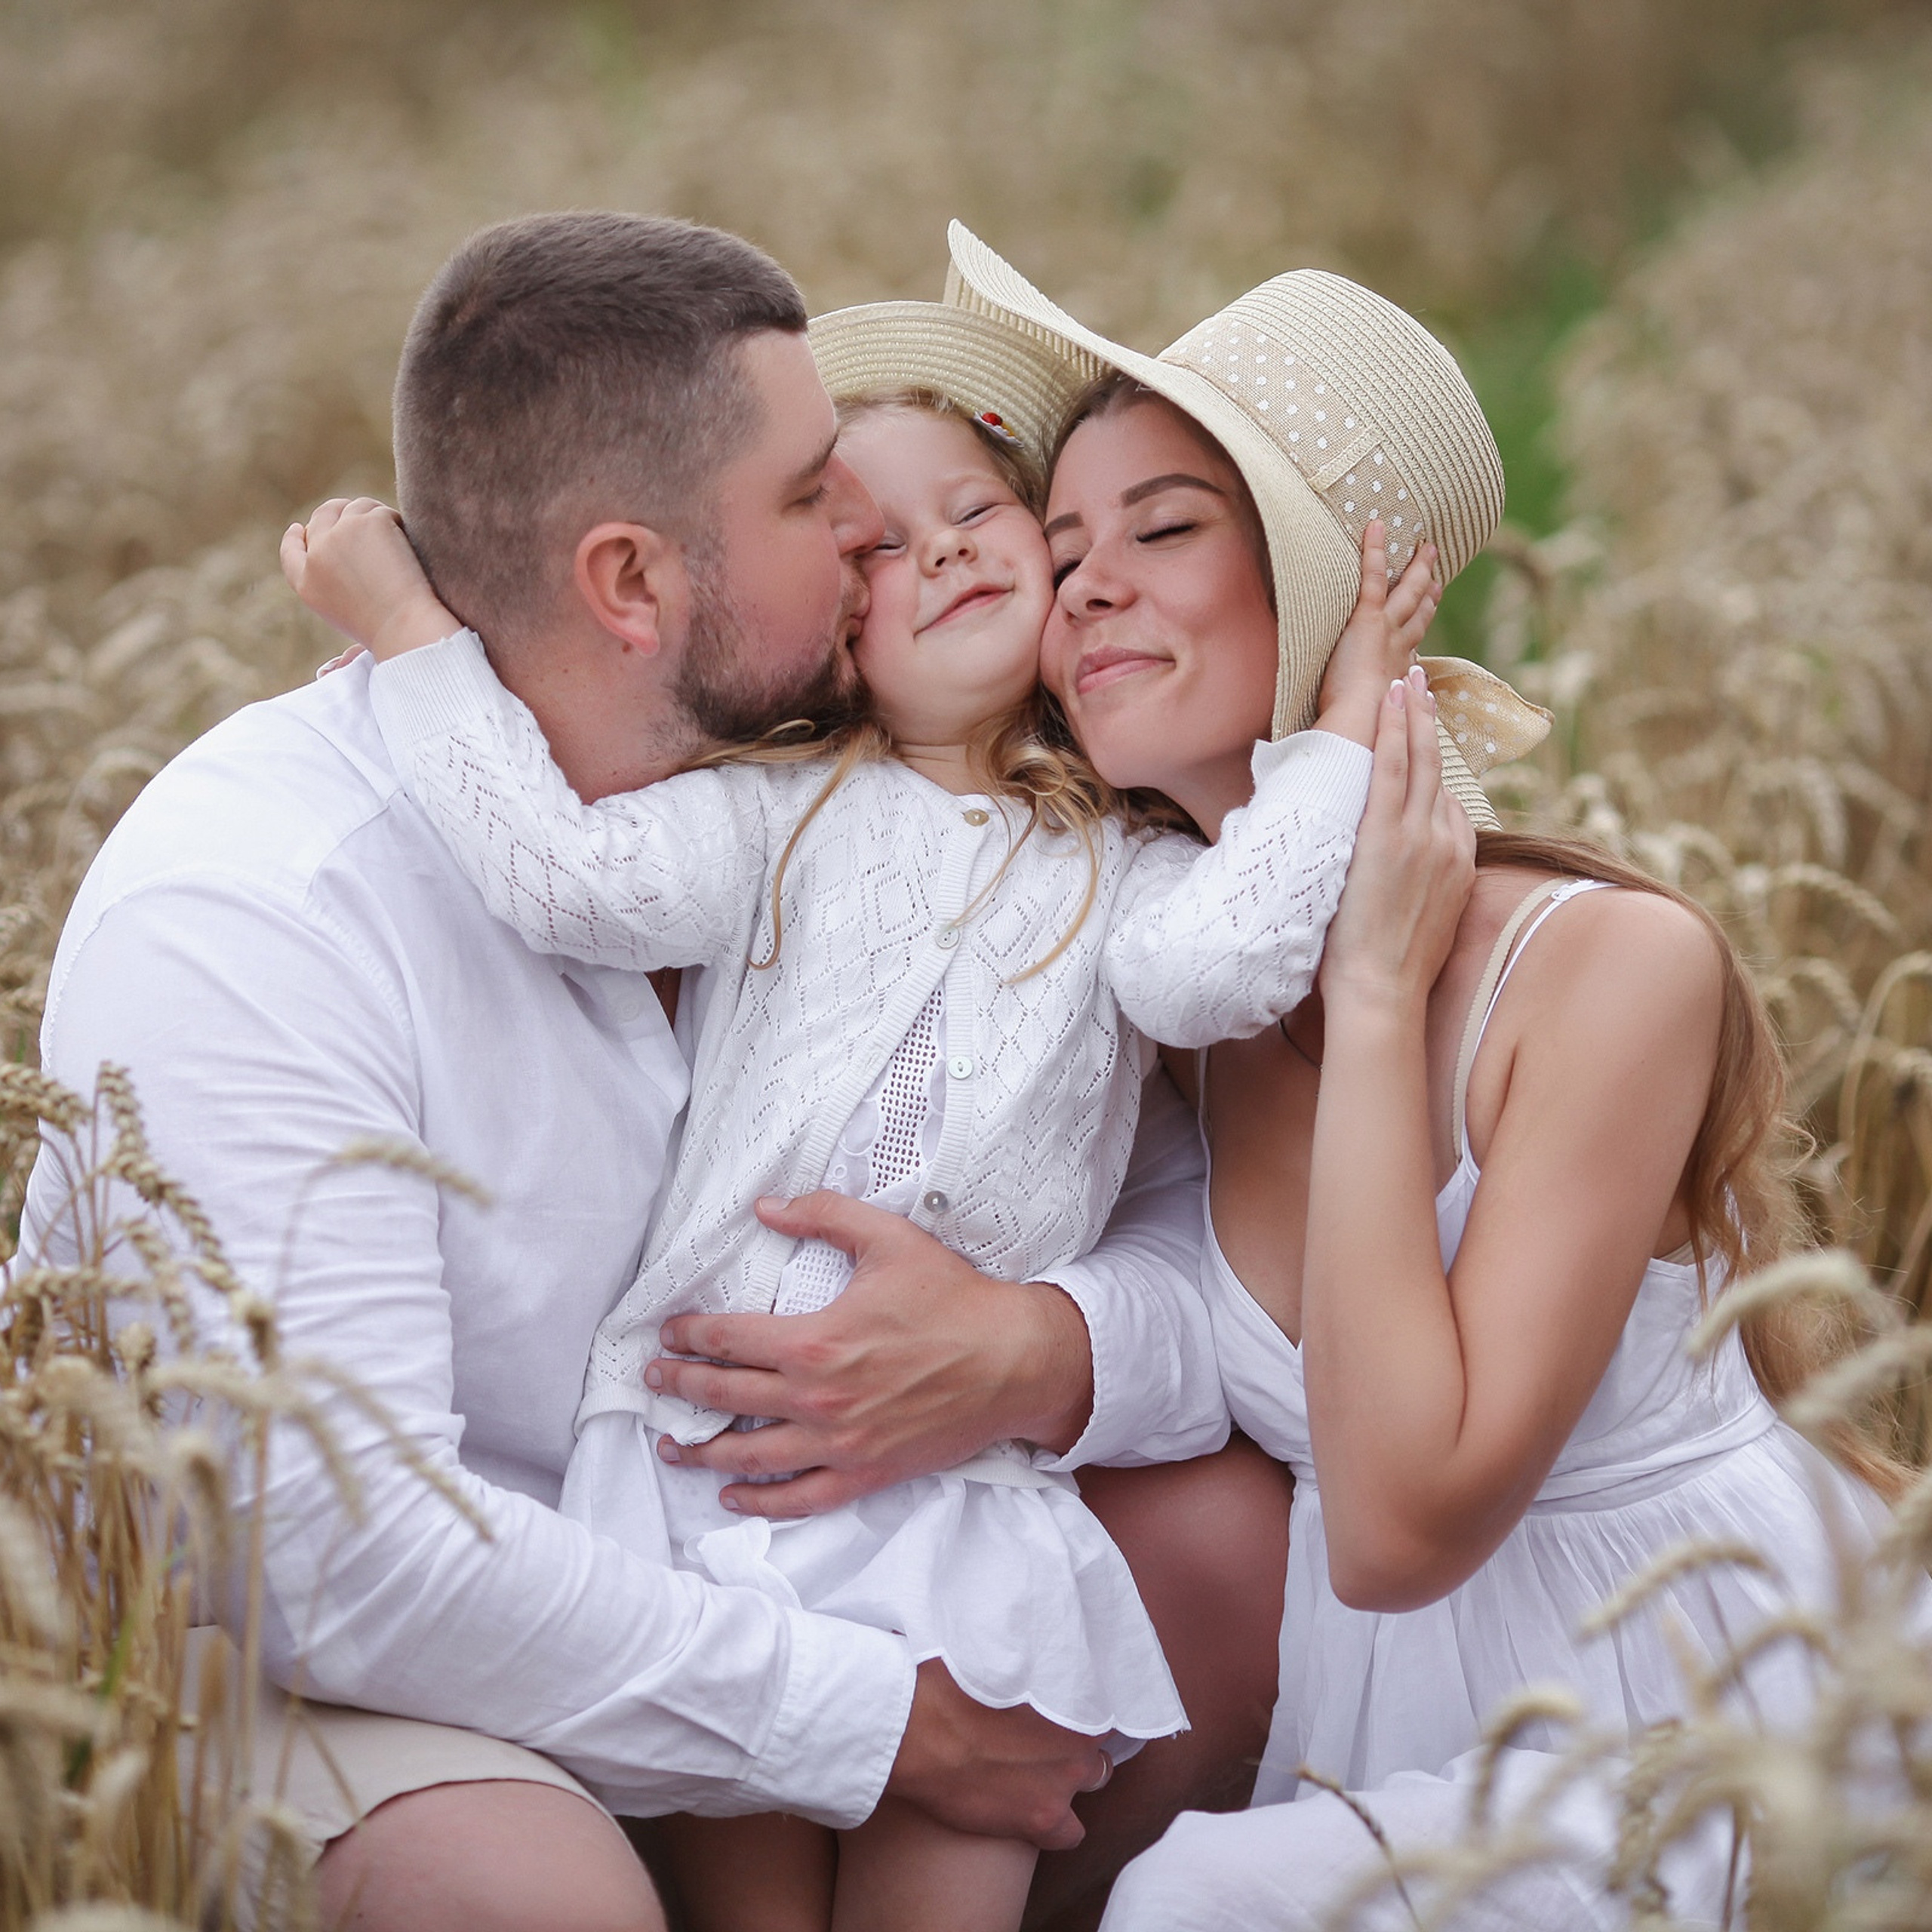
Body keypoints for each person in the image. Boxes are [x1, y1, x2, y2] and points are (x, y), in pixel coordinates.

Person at [16, 213, 1281, 1932]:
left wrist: (1032, 1345)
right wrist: (880, 1727)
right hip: (367, 1655)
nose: (870, 528)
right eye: (810, 493)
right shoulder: (257, 912)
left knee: (1221, 1535)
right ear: (631, 582)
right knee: (539, 1896)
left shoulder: (873, 803)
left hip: (813, 1531)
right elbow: (343, 1557)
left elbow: (1183, 1238)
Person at [283, 280, 1444, 1923]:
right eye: (882, 544)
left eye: (979, 509)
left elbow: (1215, 974)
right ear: (834, 624)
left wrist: (1331, 739)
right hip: (709, 1474)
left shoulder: (1124, 874)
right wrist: (411, 633)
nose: (950, 548)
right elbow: (564, 879)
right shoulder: (770, 820)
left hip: (964, 1511)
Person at [925, 225, 1904, 1928]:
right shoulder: (1153, 980)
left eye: (1162, 530)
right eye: (1061, 545)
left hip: (1685, 1693)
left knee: (1193, 1905)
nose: (1081, 585)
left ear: (1322, 600)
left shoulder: (1603, 967)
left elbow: (1397, 1522)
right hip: (1383, 1698)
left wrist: (1375, 989)